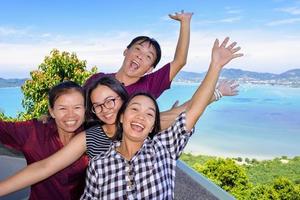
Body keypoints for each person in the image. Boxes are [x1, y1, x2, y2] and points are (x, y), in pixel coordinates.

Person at [80, 37, 243, 199]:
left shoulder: (162, 149)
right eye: (137, 49)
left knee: (175, 113)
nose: (140, 117)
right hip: (92, 142)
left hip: (124, 138)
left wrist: (216, 67)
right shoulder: (99, 165)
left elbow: (191, 109)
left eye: (150, 114)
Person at [0, 76, 188, 196]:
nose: (105, 109)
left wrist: (216, 91)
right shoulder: (87, 136)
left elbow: (179, 116)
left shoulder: (135, 129)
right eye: (98, 105)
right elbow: (46, 166)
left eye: (111, 101)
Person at [84, 11, 237, 102]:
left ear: (150, 69)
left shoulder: (151, 84)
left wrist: (185, 22)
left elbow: (180, 61)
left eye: (148, 56)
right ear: (126, 51)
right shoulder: (98, 79)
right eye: (137, 49)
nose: (140, 56)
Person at [0, 81, 88, 200]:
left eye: (77, 107)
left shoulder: (90, 137)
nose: (70, 115)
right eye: (62, 108)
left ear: (85, 109)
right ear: (52, 111)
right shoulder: (33, 132)